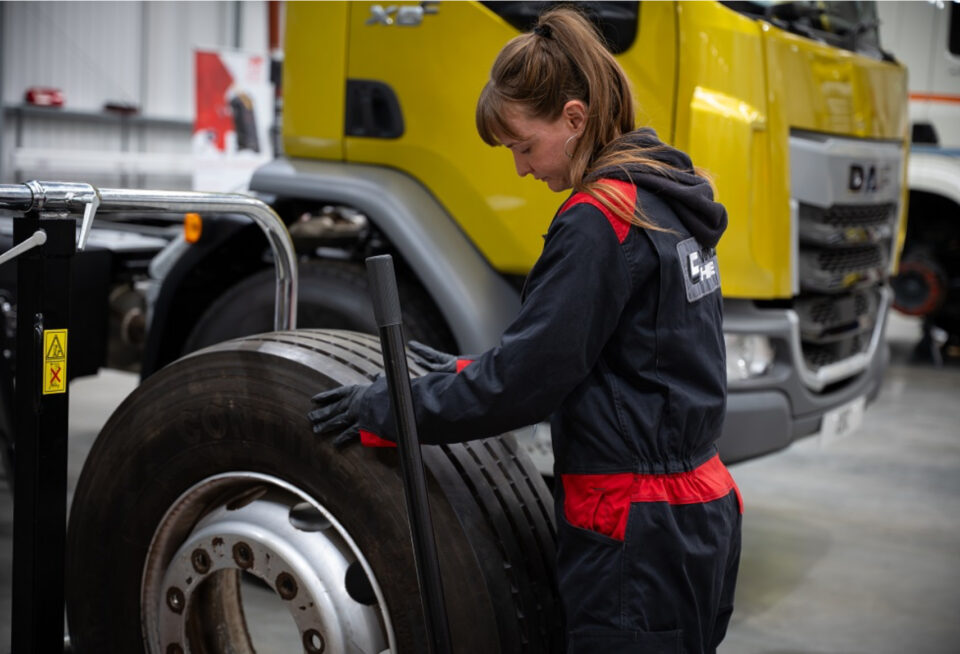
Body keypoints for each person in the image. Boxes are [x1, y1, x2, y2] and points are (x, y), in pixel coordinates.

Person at [309, 7, 742, 653]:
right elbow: (618, 360)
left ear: (573, 119)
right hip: (700, 511)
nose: (520, 168)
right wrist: (460, 372)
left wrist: (391, 406)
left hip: (632, 529)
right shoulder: (665, 197)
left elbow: (523, 385)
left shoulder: (600, 219)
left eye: (522, 145)